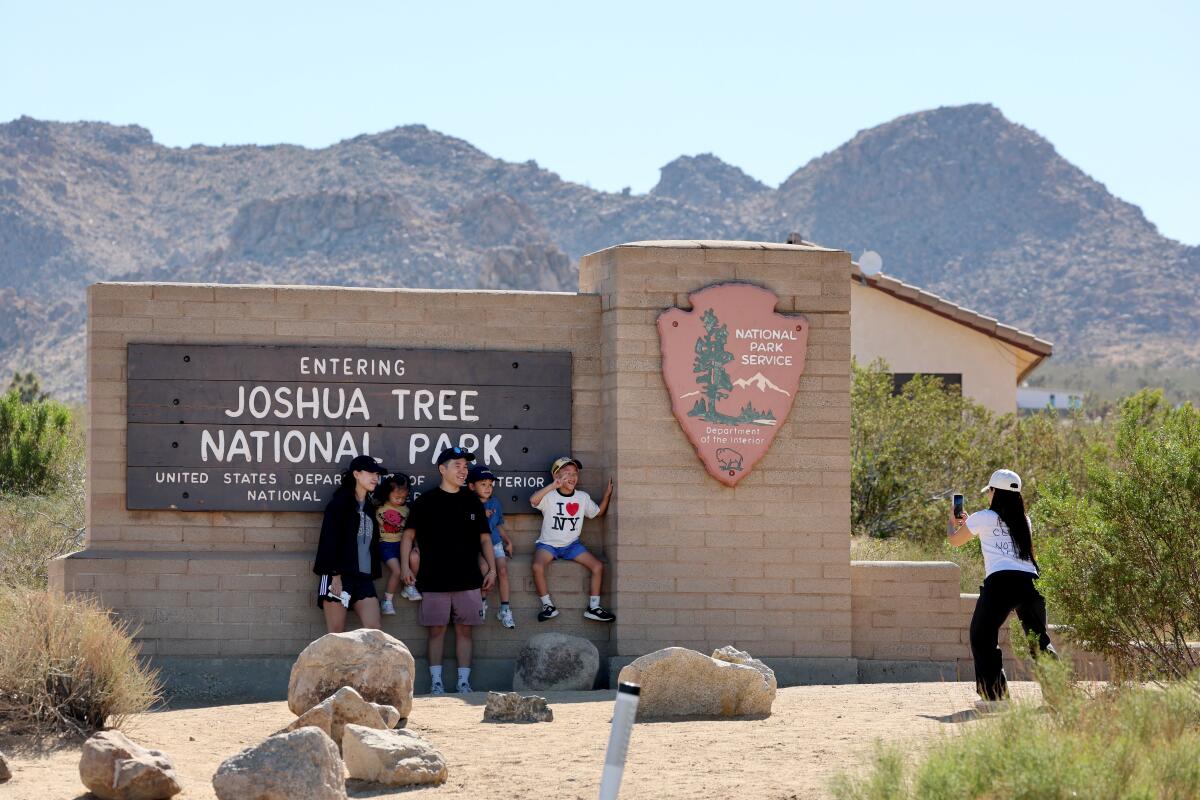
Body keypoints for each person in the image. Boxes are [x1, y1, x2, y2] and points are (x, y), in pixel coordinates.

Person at [948, 468, 1057, 707]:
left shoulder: (983, 517)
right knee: (1039, 640)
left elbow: (955, 541)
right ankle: (1060, 695)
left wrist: (952, 522)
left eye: (990, 491)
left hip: (1001, 583)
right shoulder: (1024, 520)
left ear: (995, 492)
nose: (988, 495)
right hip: (1031, 582)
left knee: (982, 636)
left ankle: (996, 698)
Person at [401, 446, 496, 694]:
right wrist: (404, 568)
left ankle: (464, 683)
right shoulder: (425, 501)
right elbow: (408, 536)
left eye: (466, 466)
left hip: (468, 579)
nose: (463, 471)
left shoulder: (472, 501)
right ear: (442, 469)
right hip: (433, 580)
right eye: (458, 466)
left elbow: (485, 540)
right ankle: (436, 684)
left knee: (465, 631)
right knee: (436, 631)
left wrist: (492, 570)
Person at [528, 456, 615, 623]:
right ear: (556, 476)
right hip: (549, 545)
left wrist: (607, 495)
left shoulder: (582, 497)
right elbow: (533, 500)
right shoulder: (550, 496)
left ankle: (594, 607)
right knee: (536, 566)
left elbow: (597, 513)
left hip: (571, 545)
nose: (572, 476)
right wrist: (553, 486)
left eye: (575, 473)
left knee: (597, 566)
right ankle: (547, 606)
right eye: (567, 473)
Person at [313, 454, 386, 633]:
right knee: (336, 634)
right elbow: (328, 541)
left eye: (377, 474)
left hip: (363, 578)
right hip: (337, 576)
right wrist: (335, 576)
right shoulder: (338, 504)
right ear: (356, 474)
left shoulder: (369, 507)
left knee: (374, 630)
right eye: (370, 473)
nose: (375, 478)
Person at [468, 465, 516, 628]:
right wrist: (480, 515)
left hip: (495, 543)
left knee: (502, 571)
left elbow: (498, 524)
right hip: (477, 547)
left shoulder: (495, 502)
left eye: (490, 484)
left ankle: (505, 609)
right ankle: (482, 603)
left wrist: (508, 541)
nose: (488, 488)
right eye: (483, 484)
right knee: (485, 570)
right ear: (472, 486)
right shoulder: (469, 503)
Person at [373, 472, 420, 614]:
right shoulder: (379, 508)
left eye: (404, 497)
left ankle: (409, 586)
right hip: (386, 545)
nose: (400, 500)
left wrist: (416, 545)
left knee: (414, 559)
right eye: (397, 497)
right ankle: (387, 601)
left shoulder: (407, 510)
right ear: (388, 493)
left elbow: (412, 531)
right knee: (397, 570)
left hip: (402, 546)